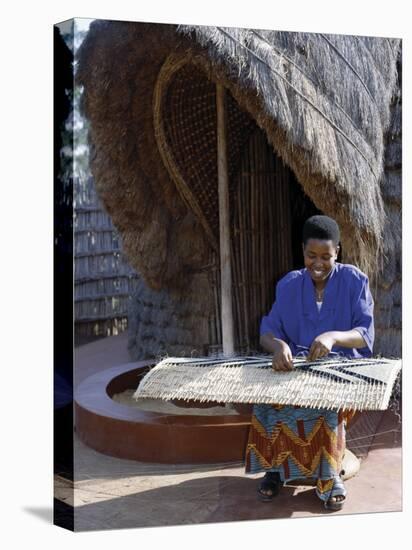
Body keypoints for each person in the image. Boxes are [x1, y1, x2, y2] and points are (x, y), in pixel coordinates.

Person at [245, 215, 374, 511]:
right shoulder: (289, 285)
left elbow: (364, 334)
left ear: (337, 252)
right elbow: (267, 331)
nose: (318, 263)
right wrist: (278, 346)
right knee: (268, 399)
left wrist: (332, 337)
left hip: (341, 371)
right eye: (311, 255)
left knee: (322, 404)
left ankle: (329, 478)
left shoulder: (355, 281)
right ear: (303, 251)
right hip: (297, 371)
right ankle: (275, 470)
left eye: (326, 256)